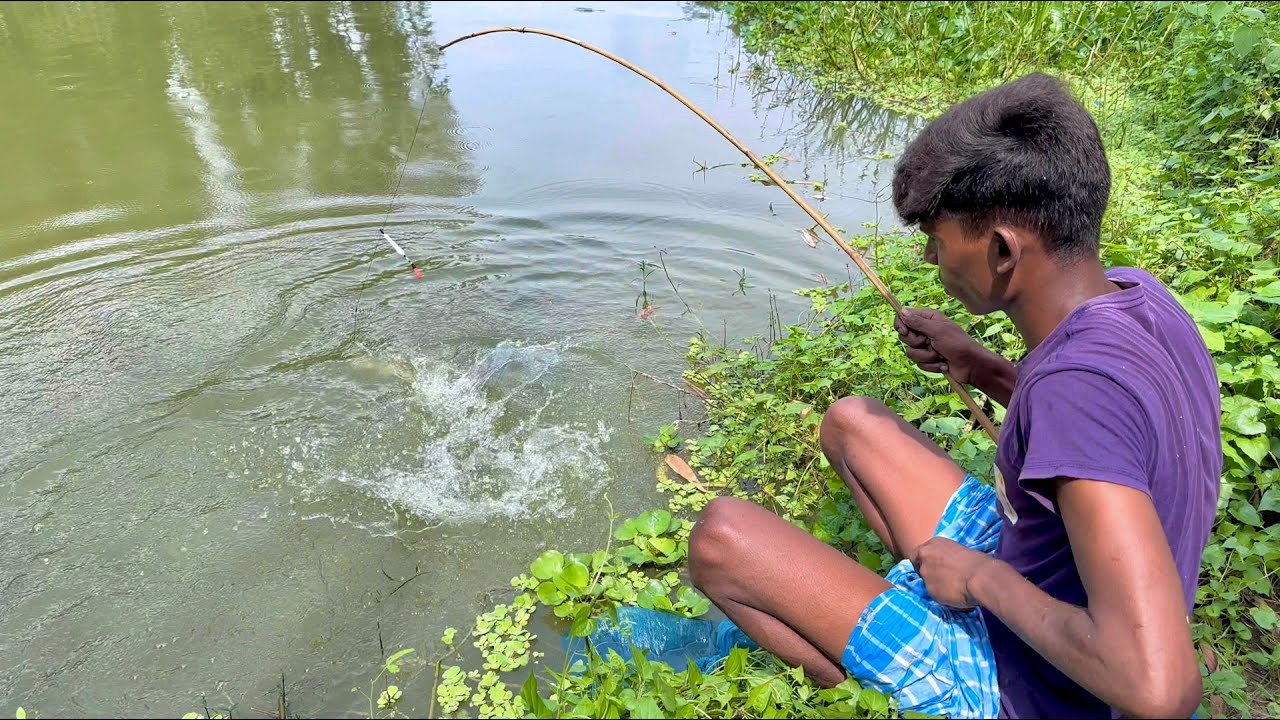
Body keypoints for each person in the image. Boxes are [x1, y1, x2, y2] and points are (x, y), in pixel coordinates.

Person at [687, 72, 1221, 719]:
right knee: (850, 423)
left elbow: (1158, 688)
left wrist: (979, 579)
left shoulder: (1077, 395)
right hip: (1043, 579)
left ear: (1000, 250)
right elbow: (1106, 430)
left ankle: (871, 688)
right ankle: (889, 624)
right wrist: (982, 366)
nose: (931, 264)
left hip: (1034, 687)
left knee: (719, 539)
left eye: (938, 245)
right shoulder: (1139, 300)